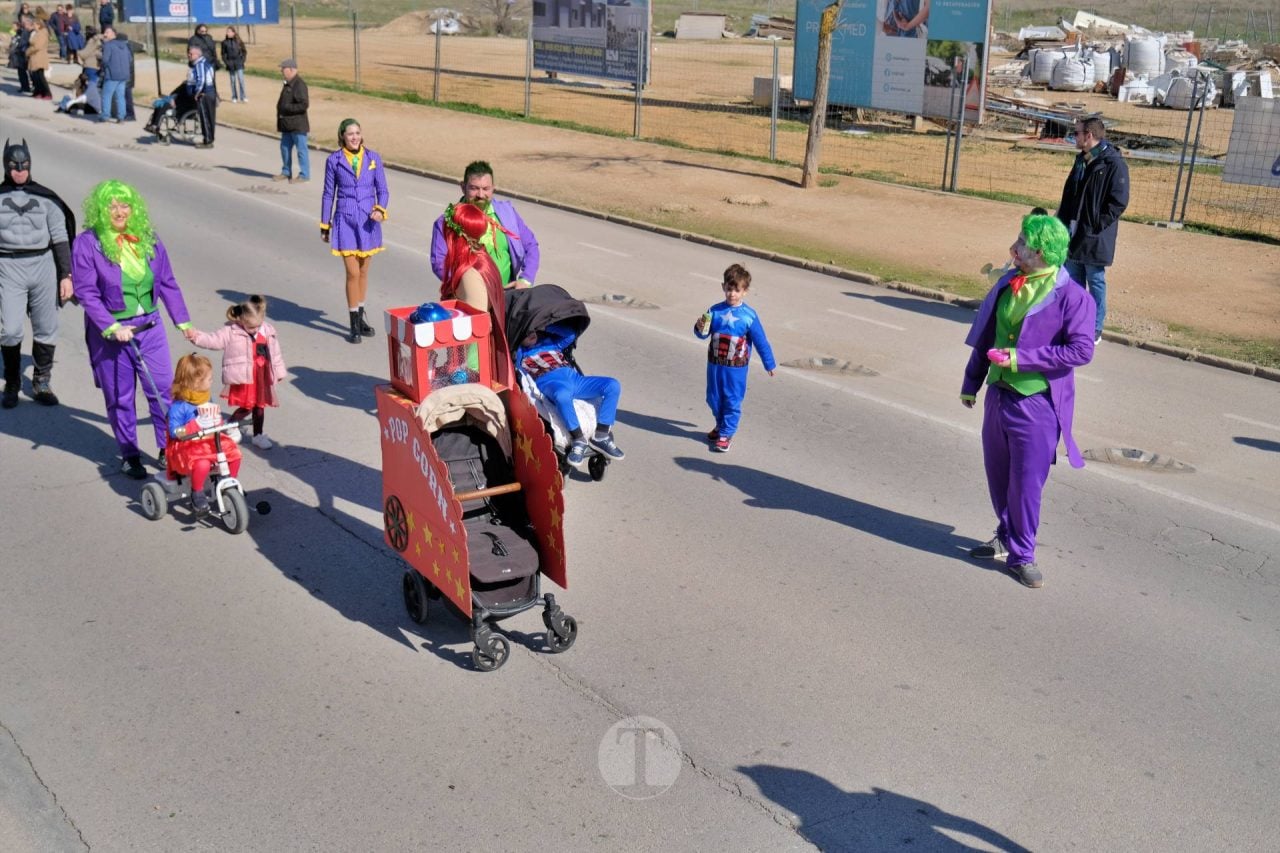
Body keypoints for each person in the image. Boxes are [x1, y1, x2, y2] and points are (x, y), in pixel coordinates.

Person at [960, 213, 1096, 589]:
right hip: (998, 397)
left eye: (1021, 242)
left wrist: (1023, 360)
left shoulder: (1074, 297)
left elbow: (1082, 351)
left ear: (1040, 251)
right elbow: (987, 334)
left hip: (1037, 404)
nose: (1014, 247)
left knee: (1026, 483)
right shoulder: (1008, 283)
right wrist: (971, 382)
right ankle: (1005, 534)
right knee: (998, 475)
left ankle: (1023, 554)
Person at [71, 180, 194, 479]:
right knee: (120, 398)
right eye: (111, 206)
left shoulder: (148, 238)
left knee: (163, 389)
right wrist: (111, 325)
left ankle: (169, 448)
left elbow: (166, 281)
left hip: (150, 327)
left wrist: (183, 321)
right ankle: (129, 454)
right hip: (112, 335)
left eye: (124, 205)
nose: (119, 211)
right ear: (100, 210)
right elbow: (87, 292)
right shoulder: (88, 243)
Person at [0, 140, 75, 408]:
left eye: (24, 166)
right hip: (8, 266)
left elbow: (60, 237)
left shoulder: (46, 198)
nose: (19, 170)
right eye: (13, 166)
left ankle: (42, 379)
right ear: (5, 166)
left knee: (46, 327)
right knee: (9, 330)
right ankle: (12, 381)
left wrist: (66, 274)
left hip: (43, 264)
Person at [1056, 115, 1129, 345]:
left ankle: (1095, 328)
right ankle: (1074, 325)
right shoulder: (1081, 161)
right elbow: (1070, 195)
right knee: (1073, 283)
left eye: (1076, 133)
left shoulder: (1113, 164)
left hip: (1094, 236)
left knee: (1095, 282)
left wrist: (1096, 225)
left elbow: (1118, 202)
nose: (1073, 137)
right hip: (1073, 233)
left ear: (1089, 135)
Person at [514, 321, 624, 469]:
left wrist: (544, 326)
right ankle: (579, 439)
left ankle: (601, 436)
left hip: (575, 380)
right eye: (526, 334)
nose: (531, 334)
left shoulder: (552, 343)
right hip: (551, 383)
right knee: (562, 396)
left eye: (532, 331)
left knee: (612, 385)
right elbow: (510, 349)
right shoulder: (521, 354)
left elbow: (571, 334)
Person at [693, 263, 775, 453]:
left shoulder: (749, 316)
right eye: (729, 289)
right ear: (723, 287)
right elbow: (702, 333)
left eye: (737, 290)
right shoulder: (714, 311)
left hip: (735, 369)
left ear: (744, 291)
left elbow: (761, 341)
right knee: (713, 398)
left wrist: (768, 363)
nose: (732, 294)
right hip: (715, 365)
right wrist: (699, 327)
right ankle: (721, 424)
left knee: (731, 399)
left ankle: (727, 433)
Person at [320, 118, 389, 344]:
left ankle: (360, 318)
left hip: (368, 222)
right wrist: (325, 224)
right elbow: (328, 193)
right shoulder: (334, 160)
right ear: (342, 136)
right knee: (352, 273)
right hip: (345, 220)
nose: (354, 137)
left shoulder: (373, 158)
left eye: (357, 133)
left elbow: (383, 190)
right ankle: (353, 325)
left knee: (364, 272)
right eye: (350, 134)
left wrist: (380, 210)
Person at [187, 295, 286, 451]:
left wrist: (278, 372)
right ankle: (231, 425)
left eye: (258, 325)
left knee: (260, 406)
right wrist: (195, 336)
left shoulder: (267, 330)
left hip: (261, 375)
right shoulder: (231, 331)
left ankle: (258, 435)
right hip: (244, 376)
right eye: (252, 327)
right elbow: (212, 340)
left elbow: (275, 353)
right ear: (241, 320)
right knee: (247, 406)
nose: (256, 329)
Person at [429, 161, 539, 289]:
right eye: (474, 188)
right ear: (463, 187)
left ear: (493, 189)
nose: (481, 195)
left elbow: (531, 245)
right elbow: (439, 263)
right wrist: (468, 288)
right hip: (468, 299)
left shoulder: (508, 213)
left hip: (506, 296)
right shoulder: (446, 222)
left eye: (486, 189)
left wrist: (526, 280)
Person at [438, 201, 513, 388]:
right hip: (469, 365)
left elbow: (474, 328)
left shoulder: (470, 273)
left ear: (455, 234)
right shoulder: (480, 257)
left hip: (469, 369)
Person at [165, 353, 242, 514]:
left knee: (234, 453)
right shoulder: (179, 407)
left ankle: (228, 482)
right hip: (187, 445)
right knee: (203, 463)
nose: (211, 381)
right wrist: (195, 425)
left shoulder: (206, 398)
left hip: (209, 440)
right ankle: (197, 492)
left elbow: (215, 419)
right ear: (195, 382)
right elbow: (174, 431)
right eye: (208, 378)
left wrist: (223, 425)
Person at [275, 58, 310, 183]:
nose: (281, 71)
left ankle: (304, 175)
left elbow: (304, 104)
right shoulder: (287, 83)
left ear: (291, 69)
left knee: (301, 150)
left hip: (298, 125)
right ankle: (286, 171)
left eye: (283, 68)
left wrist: (287, 108)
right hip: (287, 125)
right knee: (284, 148)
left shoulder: (299, 85)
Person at [185, 44, 216, 148]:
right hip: (210, 92)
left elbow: (201, 79)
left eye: (191, 53)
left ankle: (207, 141)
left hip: (204, 93)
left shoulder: (199, 64)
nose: (188, 55)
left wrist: (197, 92)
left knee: (205, 118)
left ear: (197, 54)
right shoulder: (206, 62)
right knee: (210, 118)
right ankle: (210, 139)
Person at [99, 24, 129, 122]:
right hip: (124, 75)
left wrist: (101, 63)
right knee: (120, 96)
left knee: (106, 95)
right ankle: (121, 116)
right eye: (104, 32)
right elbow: (130, 59)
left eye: (107, 32)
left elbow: (105, 60)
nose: (105, 34)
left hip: (112, 74)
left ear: (113, 34)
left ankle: (105, 115)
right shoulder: (124, 46)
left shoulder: (108, 45)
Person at [25, 16, 52, 100]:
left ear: (39, 25)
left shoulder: (42, 34)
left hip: (39, 57)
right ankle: (39, 92)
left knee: (40, 76)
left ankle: (47, 93)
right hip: (34, 57)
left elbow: (37, 46)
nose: (34, 26)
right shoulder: (37, 33)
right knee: (35, 76)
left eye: (35, 25)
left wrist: (28, 51)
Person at [220, 26, 247, 103]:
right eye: (227, 31)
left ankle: (243, 96)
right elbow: (223, 54)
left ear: (233, 33)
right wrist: (227, 62)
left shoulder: (239, 42)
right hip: (230, 64)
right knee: (233, 81)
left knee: (241, 80)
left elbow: (244, 52)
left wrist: (242, 60)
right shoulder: (224, 43)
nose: (227, 33)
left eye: (229, 31)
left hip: (239, 63)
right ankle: (234, 96)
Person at [8, 16, 32, 94]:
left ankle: (26, 87)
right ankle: (24, 87)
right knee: (21, 72)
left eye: (24, 22)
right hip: (20, 53)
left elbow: (23, 42)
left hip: (23, 53)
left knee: (23, 71)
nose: (23, 24)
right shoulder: (21, 31)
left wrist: (19, 47)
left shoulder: (26, 31)